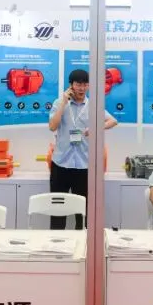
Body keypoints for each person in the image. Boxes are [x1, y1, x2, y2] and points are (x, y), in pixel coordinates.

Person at [48, 69, 117, 230]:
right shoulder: (59, 103)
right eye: (78, 84)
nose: (82, 88)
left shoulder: (93, 105)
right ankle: (57, 241)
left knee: (84, 212)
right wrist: (63, 103)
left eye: (85, 84)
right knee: (57, 210)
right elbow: (52, 126)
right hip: (61, 164)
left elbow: (113, 121)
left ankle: (83, 242)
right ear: (71, 85)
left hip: (85, 165)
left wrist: (96, 128)